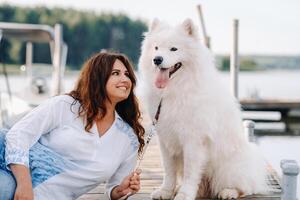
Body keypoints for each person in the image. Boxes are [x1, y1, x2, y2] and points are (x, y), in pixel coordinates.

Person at [0, 52, 145, 200]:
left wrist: (120, 191)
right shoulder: (66, 106)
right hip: (11, 164)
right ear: (98, 78)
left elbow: (113, 190)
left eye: (127, 74)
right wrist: (24, 184)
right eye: (116, 73)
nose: (125, 79)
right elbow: (18, 135)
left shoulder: (128, 139)